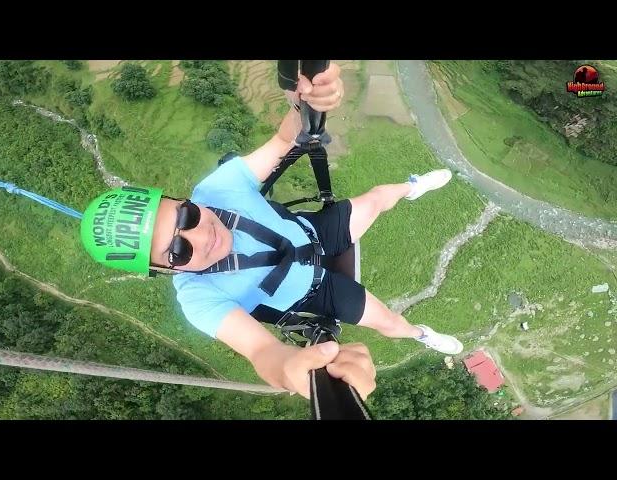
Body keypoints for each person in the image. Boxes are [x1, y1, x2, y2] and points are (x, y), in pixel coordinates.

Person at [80, 63, 462, 400]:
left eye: (185, 217)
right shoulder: (198, 298)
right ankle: (422, 334)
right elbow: (263, 352)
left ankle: (412, 186)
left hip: (312, 232)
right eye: (178, 252)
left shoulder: (217, 191)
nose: (200, 236)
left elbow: (284, 140)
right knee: (390, 323)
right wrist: (290, 369)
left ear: (184, 199)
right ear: (167, 270)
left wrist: (307, 103)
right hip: (316, 294)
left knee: (379, 196)